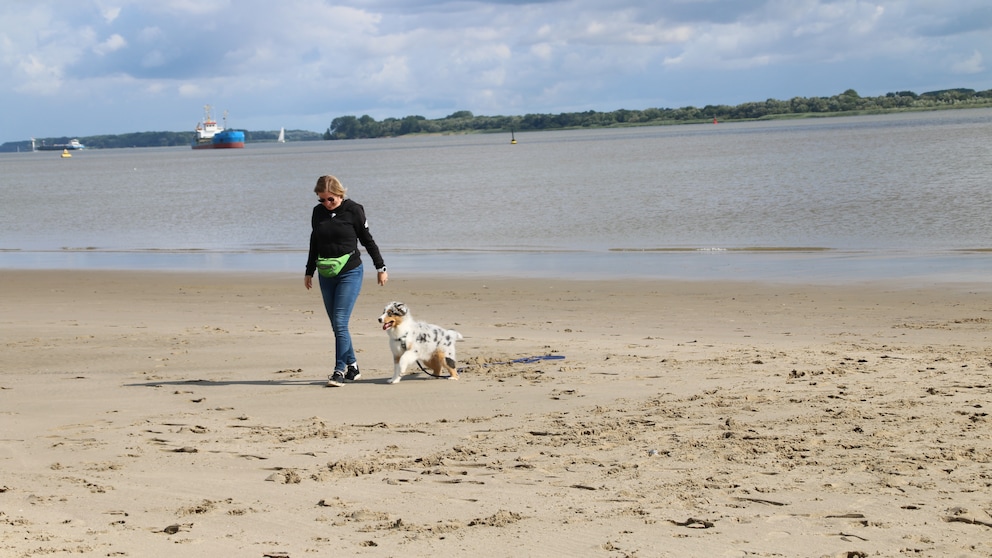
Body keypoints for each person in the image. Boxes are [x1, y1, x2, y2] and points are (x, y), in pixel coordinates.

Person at [305, 175, 387, 386]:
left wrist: (381, 267)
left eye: (330, 199)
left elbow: (367, 240)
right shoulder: (318, 213)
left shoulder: (354, 210)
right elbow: (314, 241)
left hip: (350, 271)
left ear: (340, 194)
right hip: (326, 273)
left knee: (340, 321)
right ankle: (353, 366)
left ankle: (339, 370)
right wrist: (309, 270)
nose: (326, 204)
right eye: (321, 200)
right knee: (336, 324)